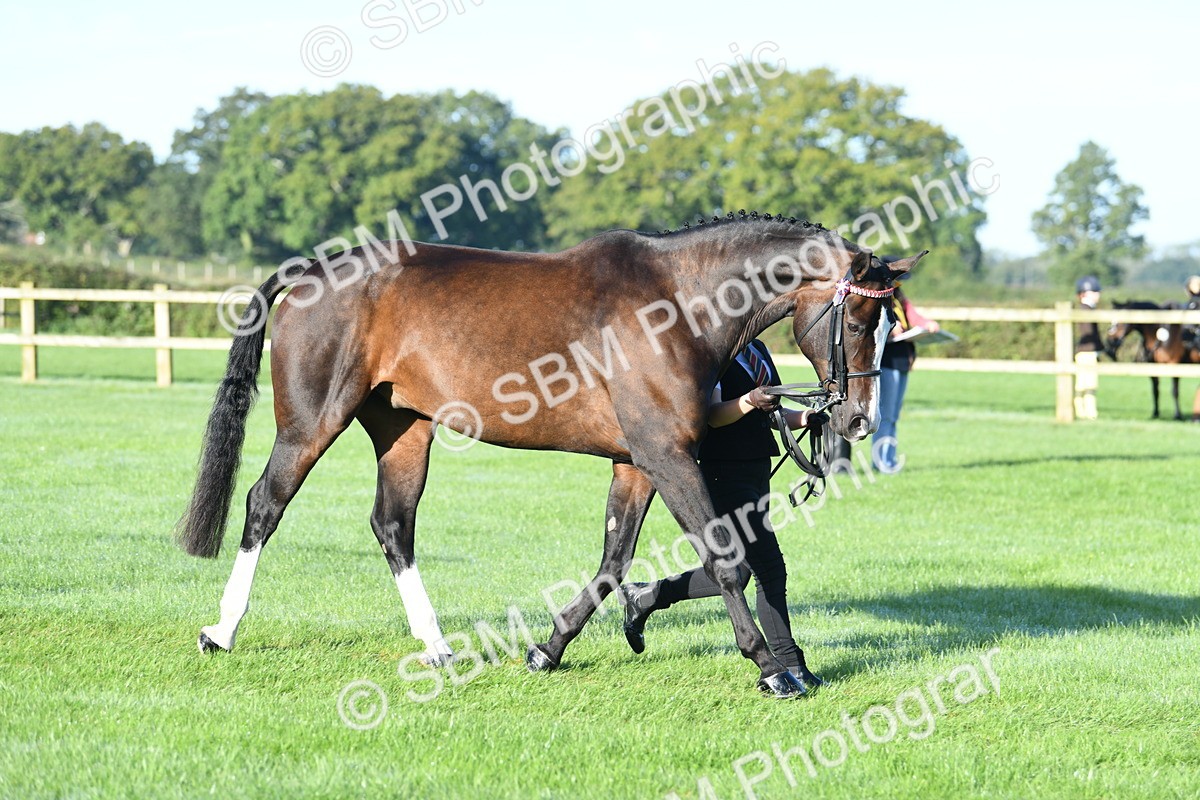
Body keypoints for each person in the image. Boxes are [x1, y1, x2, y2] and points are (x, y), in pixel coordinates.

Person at [618, 339, 825, 687]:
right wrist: (748, 401)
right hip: (723, 470)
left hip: (757, 467)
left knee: (740, 571)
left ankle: (645, 596)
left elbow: (772, 414)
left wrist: (806, 417)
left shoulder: (757, 349)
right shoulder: (715, 349)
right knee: (769, 569)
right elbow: (712, 415)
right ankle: (790, 663)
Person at [872, 273, 939, 472]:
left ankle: (888, 460)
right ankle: (881, 462)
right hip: (887, 361)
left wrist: (927, 324)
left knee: (893, 416)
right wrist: (890, 326)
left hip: (902, 362)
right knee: (885, 416)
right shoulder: (878, 297)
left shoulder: (899, 297)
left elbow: (913, 315)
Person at [1074, 275, 1103, 420]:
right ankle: (1089, 413)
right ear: (1085, 293)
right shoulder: (1086, 310)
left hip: (1086, 352)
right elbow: (1090, 333)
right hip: (1087, 352)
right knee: (1088, 383)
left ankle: (1082, 411)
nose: (1098, 295)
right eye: (1095, 292)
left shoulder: (1086, 309)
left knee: (1083, 382)